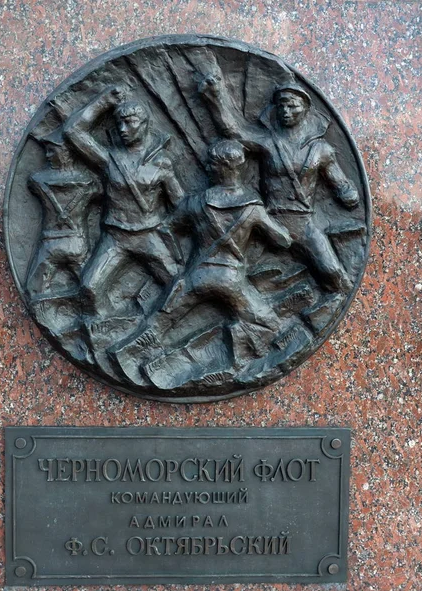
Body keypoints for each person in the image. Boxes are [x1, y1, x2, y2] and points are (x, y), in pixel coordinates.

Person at [112, 140, 292, 386]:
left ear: (225, 168)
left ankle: (130, 355)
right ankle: (241, 349)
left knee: (162, 319)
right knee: (269, 323)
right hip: (231, 280)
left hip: (196, 276)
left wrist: (179, 263)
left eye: (211, 163)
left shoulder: (195, 203)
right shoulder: (253, 208)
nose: (207, 168)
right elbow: (283, 241)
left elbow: (166, 229)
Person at [199, 76, 359, 293]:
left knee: (333, 274)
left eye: (292, 105)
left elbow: (340, 183)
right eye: (281, 104)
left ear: (305, 109)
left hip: (303, 223)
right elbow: (234, 132)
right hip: (266, 221)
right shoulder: (268, 142)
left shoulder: (321, 150)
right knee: (228, 275)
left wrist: (346, 192)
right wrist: (216, 97)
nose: (285, 110)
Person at [63, 85, 185, 316]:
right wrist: (104, 101)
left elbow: (180, 204)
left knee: (178, 284)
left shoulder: (162, 163)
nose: (122, 129)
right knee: (89, 287)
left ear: (145, 124)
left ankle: (155, 332)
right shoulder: (109, 159)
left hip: (149, 236)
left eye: (129, 123)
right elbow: (73, 131)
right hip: (115, 237)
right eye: (119, 123)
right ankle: (105, 328)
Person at [26, 126, 99, 301]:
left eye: (52, 151)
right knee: (92, 289)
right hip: (76, 243)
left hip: (51, 245)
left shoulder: (37, 180)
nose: (48, 156)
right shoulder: (89, 182)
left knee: (35, 290)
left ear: (67, 153)